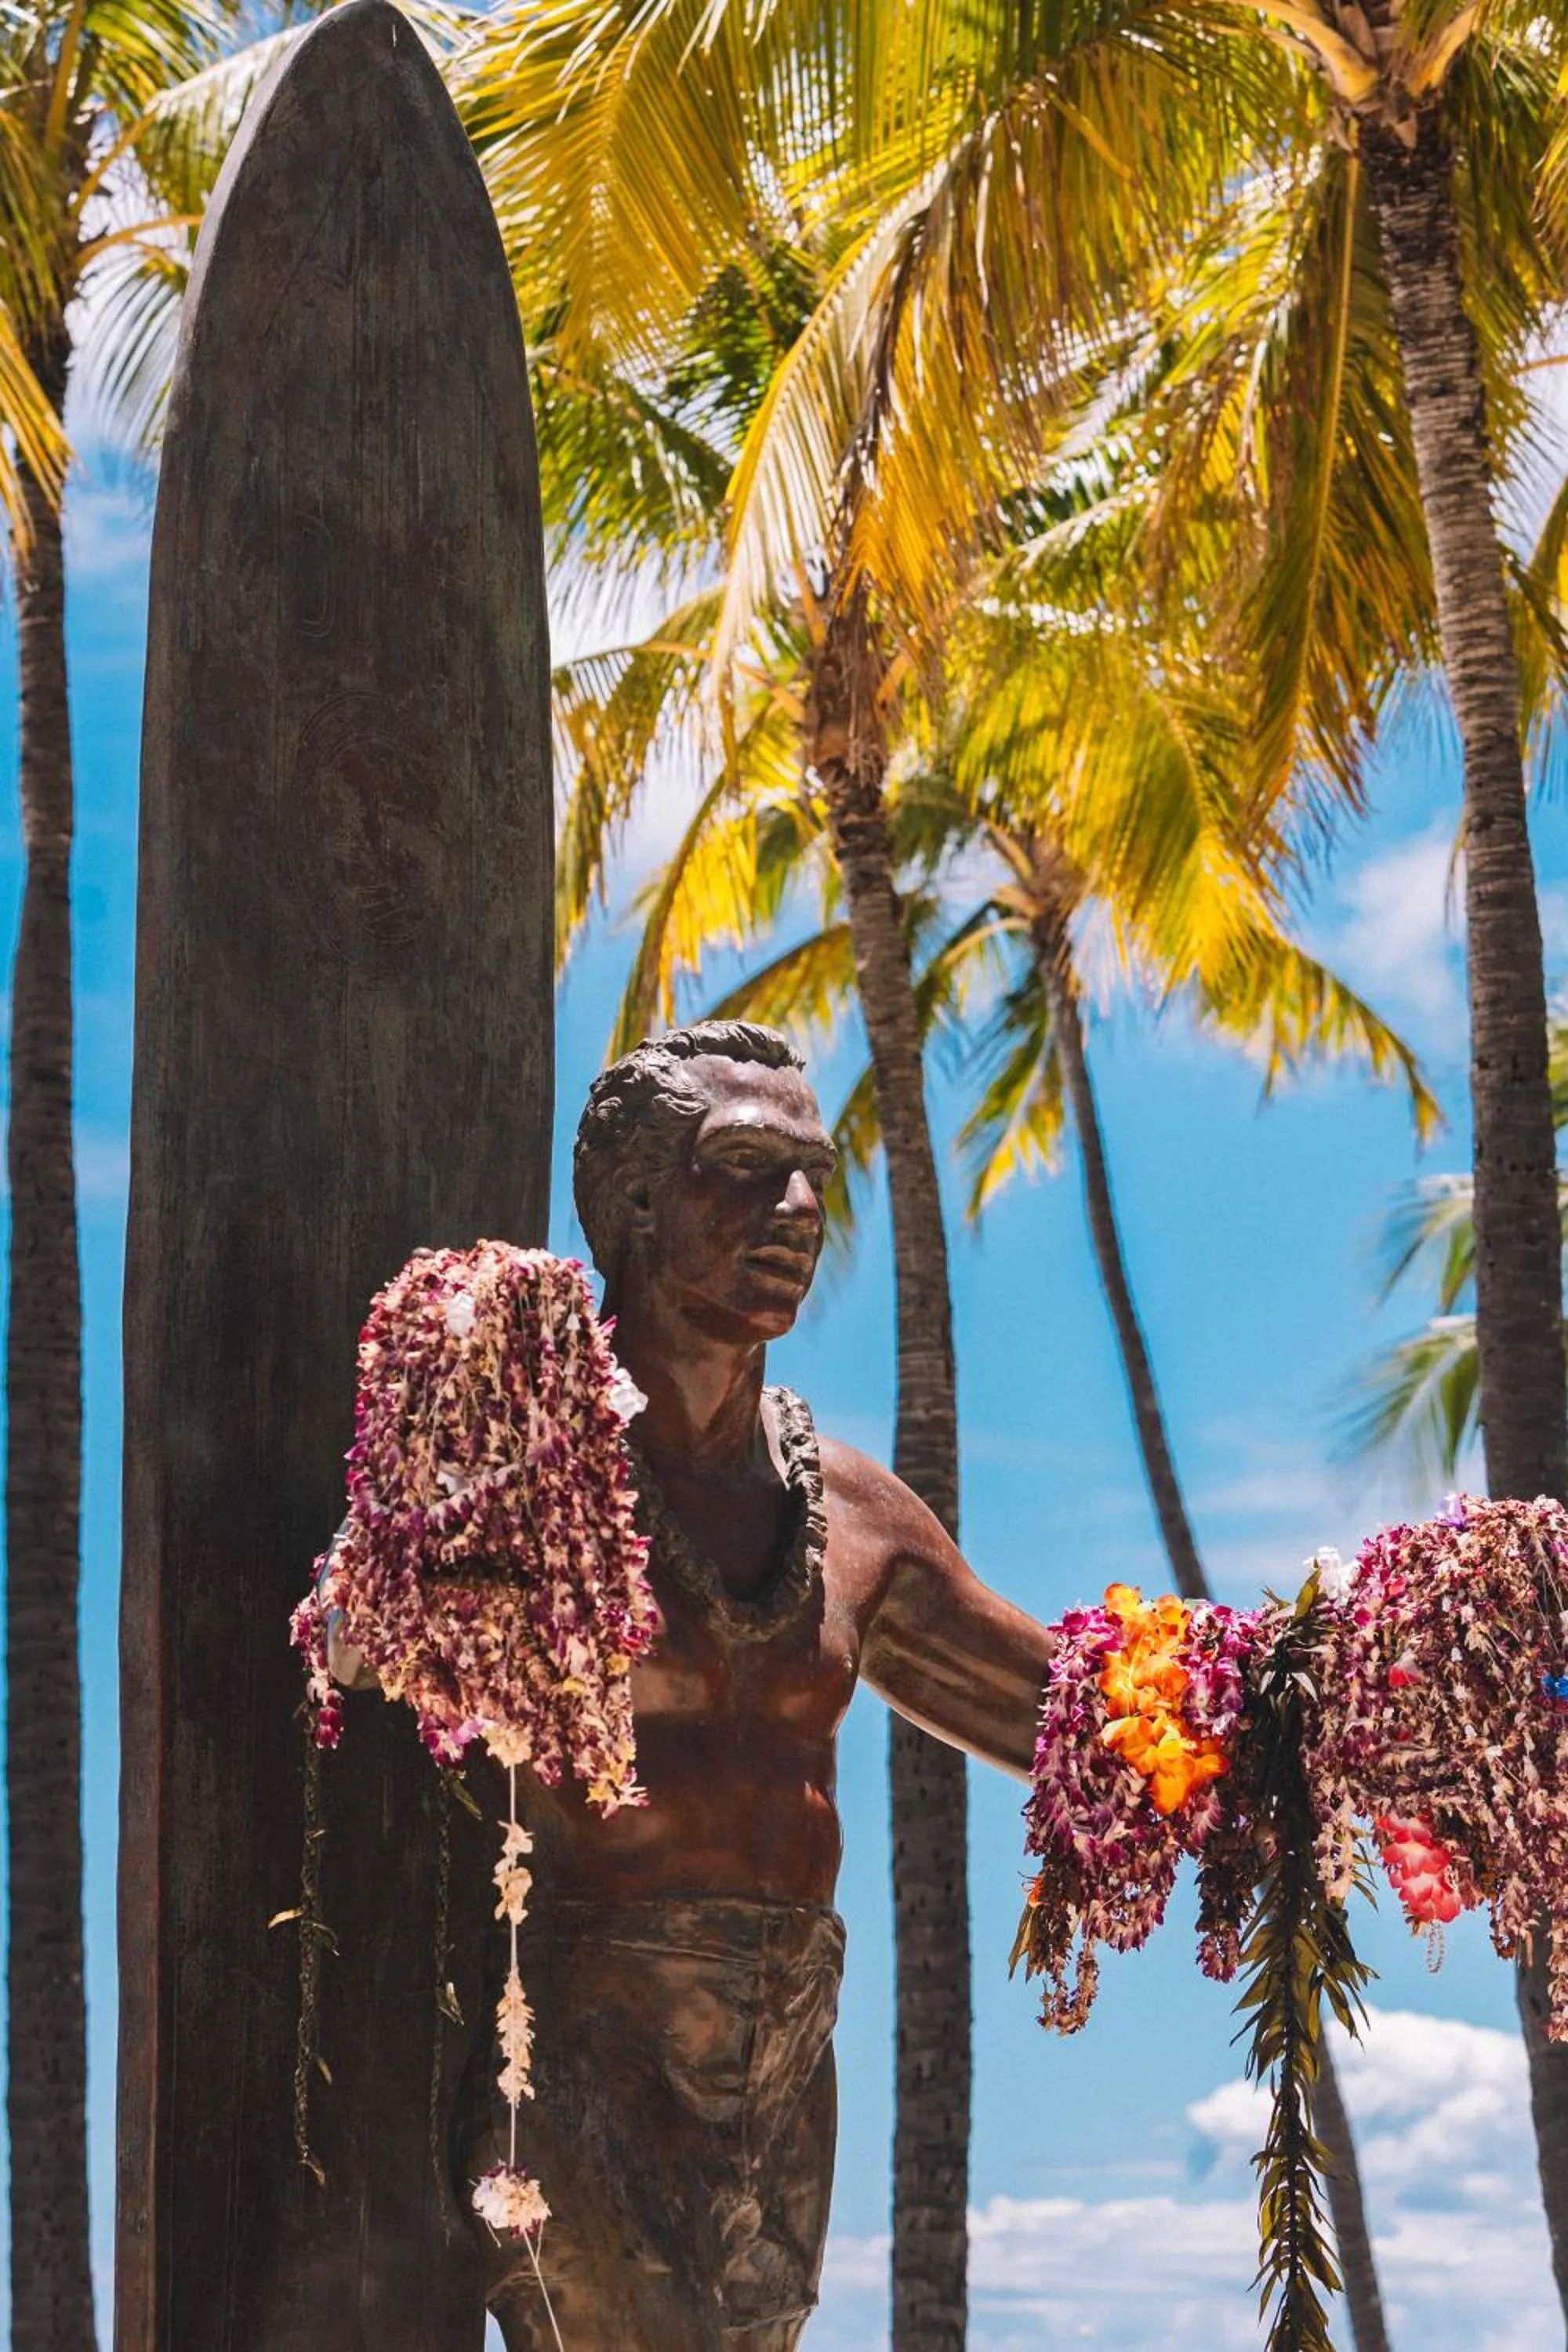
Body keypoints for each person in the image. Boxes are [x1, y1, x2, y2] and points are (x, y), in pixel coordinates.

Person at [343, 1019, 1054, 2349]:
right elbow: (356, 1626)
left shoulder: (856, 1515)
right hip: (585, 2039)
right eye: (741, 1167)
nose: (794, 1210)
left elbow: (1066, 1715)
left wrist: (1318, 1691)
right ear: (633, 1207)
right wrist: (448, 1573)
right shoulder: (537, 1472)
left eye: (814, 1178)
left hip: (791, 2043)